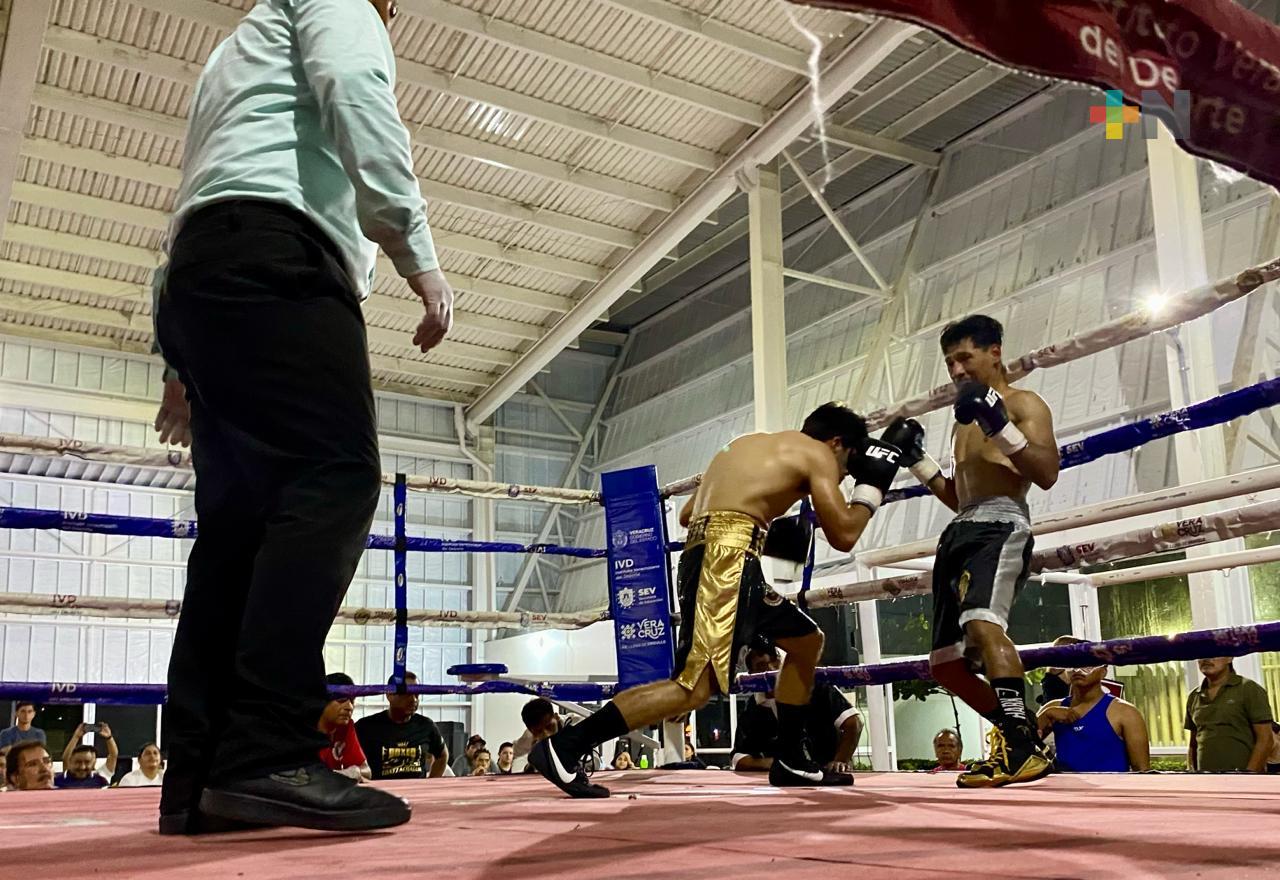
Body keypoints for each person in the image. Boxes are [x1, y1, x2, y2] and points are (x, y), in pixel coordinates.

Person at [150, 0, 451, 835]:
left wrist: (178, 356)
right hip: (282, 264)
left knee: (238, 533)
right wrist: (415, 250)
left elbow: (201, 193)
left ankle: (200, 777)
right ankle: (267, 750)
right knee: (338, 477)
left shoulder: (230, 56)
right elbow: (355, 85)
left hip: (206, 277)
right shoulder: (337, 1)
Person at [528, 402, 900, 797]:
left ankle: (792, 757)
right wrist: (872, 486)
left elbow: (690, 514)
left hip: (725, 559)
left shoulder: (749, 446)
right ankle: (567, 746)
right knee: (693, 687)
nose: (842, 474)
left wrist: (761, 528)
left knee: (807, 641)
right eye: (848, 464)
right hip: (727, 563)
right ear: (838, 443)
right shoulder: (817, 453)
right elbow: (844, 534)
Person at [886, 315, 1060, 788]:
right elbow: (959, 496)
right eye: (949, 362)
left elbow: (1046, 472)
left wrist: (999, 421)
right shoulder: (963, 420)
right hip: (961, 529)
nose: (957, 370)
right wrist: (917, 461)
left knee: (983, 625)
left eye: (965, 357)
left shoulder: (1024, 403)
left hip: (1001, 525)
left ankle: (1022, 750)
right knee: (946, 665)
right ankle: (1024, 739)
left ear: (995, 352)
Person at [731, 642, 863, 776]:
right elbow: (739, 758)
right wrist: (775, 763)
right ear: (752, 674)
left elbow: (853, 722)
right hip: (786, 780)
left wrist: (840, 760)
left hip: (826, 773)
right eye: (761, 666)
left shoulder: (815, 685)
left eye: (775, 663)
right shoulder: (754, 706)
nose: (771, 669)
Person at [1038, 662, 1150, 772]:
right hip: (1064, 787)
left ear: (1103, 671)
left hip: (1109, 788)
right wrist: (1046, 715)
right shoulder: (1053, 708)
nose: (1078, 670)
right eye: (1073, 664)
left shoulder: (1125, 712)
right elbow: (1023, 746)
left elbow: (1142, 770)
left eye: (1088, 665)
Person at [1185, 657, 1274, 772]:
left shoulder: (1249, 689)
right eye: (1202, 654)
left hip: (1243, 781)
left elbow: (1265, 740)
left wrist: (1248, 776)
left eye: (1213, 653)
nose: (1206, 659)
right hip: (1206, 780)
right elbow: (1193, 743)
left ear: (1229, 658)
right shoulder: (1194, 696)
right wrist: (1193, 774)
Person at [355, 672, 449, 780]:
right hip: (381, 795)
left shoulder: (426, 725)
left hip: (416, 794)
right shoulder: (366, 727)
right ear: (389, 695)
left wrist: (431, 783)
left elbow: (442, 755)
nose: (414, 700)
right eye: (407, 694)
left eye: (417, 695)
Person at [319, 673, 371, 782]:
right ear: (323, 702)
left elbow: (367, 771)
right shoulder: (304, 730)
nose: (349, 707)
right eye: (342, 700)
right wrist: (340, 774)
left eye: (352, 701)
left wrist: (355, 771)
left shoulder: (346, 727)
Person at [57, 723, 118, 788]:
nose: (82, 767)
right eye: (78, 762)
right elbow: (66, 758)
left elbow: (113, 755)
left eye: (87, 761)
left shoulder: (102, 777)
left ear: (94, 761)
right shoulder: (65, 778)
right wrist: (76, 736)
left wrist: (109, 737)